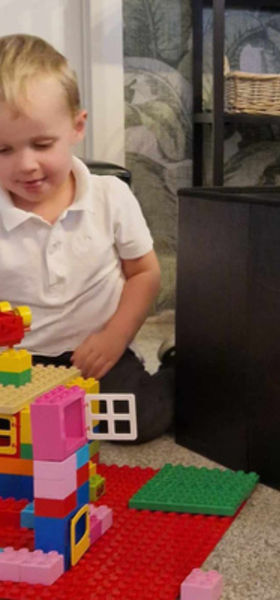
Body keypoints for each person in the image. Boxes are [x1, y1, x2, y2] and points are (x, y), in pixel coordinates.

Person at [0, 34, 174, 443]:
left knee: (140, 420)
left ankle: (176, 364)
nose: (26, 164)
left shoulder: (109, 197)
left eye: (42, 144)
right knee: (24, 437)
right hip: (16, 365)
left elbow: (144, 274)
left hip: (95, 355)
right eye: (2, 150)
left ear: (77, 126)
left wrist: (115, 338)